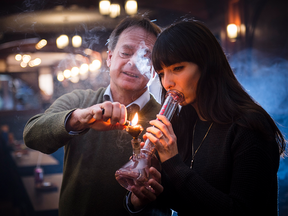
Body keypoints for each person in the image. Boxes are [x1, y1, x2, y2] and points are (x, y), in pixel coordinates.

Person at [128, 19, 286, 215]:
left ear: (207, 64)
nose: (167, 82)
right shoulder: (185, 121)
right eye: (161, 73)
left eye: (177, 68)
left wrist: (173, 163)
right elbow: (190, 201)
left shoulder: (248, 126)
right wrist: (151, 189)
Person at [23, 15, 169, 216]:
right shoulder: (80, 101)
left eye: (145, 56)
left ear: (155, 70)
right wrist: (81, 118)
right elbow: (32, 136)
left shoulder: (165, 120)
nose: (133, 63)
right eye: (126, 53)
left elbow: (172, 197)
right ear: (109, 58)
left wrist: (140, 204)